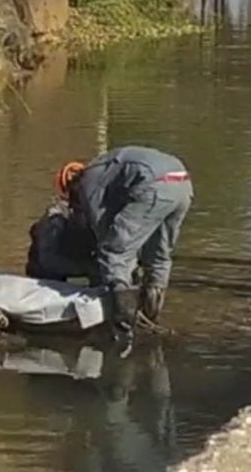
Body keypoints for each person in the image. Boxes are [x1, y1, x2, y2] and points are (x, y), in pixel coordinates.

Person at [54, 146, 193, 354]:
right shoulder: (107, 171)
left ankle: (122, 329)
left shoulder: (87, 182)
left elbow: (104, 234)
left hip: (153, 185)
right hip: (182, 183)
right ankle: (150, 315)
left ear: (72, 185)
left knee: (113, 252)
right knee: (158, 255)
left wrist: (106, 271)